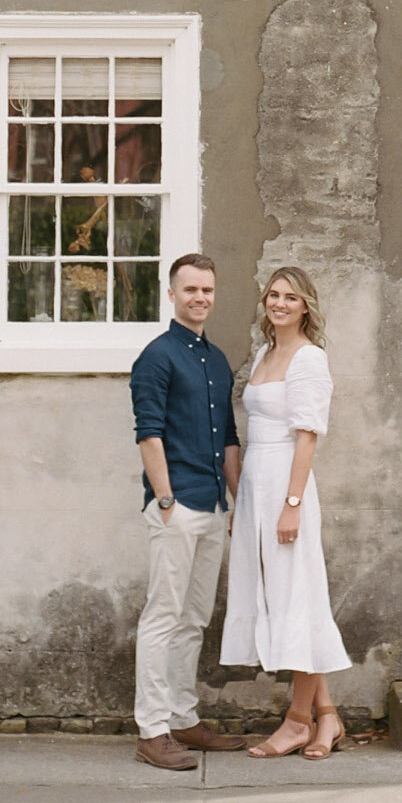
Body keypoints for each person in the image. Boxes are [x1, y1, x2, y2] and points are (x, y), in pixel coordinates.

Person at [220, 266, 351, 759]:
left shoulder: (309, 359)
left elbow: (307, 436)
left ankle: (298, 721)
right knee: (280, 598)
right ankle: (329, 718)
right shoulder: (264, 353)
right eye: (273, 295)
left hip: (285, 484)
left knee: (297, 598)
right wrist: (244, 502)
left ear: (305, 307)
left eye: (290, 298)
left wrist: (291, 505)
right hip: (257, 482)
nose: (278, 303)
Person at [129, 253, 249, 771]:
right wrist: (165, 499)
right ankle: (152, 730)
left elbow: (229, 438)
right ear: (171, 294)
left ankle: (183, 717)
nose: (200, 298)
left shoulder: (218, 360)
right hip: (175, 506)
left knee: (194, 619)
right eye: (190, 290)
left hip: (213, 507)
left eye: (207, 290)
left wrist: (236, 501)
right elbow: (148, 432)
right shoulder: (156, 357)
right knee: (163, 616)